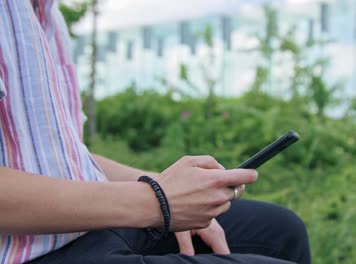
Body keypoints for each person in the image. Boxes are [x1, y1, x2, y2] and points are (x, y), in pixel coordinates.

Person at [0, 1, 311, 263]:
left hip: (82, 227)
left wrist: (168, 187)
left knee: (282, 231)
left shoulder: (44, 15)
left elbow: (62, 156)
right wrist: (157, 200)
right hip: (27, 252)